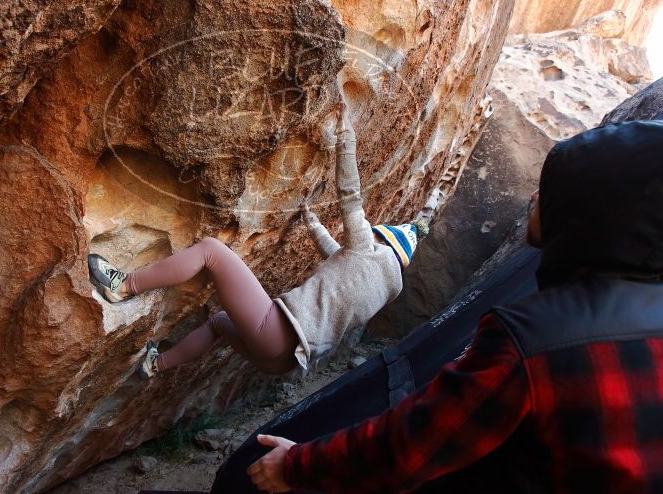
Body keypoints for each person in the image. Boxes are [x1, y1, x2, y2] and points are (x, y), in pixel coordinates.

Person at [247, 119, 663, 493]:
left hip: (285, 324)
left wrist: (297, 465)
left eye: (553, 188)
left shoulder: (534, 337)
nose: (535, 194)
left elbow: (413, 445)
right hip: (305, 347)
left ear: (585, 211)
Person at [88, 103, 427, 379]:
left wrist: (345, 132)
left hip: (277, 332)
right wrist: (310, 220)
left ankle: (123, 285)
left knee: (211, 251)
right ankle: (155, 365)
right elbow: (335, 255)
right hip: (282, 361)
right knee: (219, 324)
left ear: (382, 241)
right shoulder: (380, 288)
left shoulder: (368, 249)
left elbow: (350, 195)